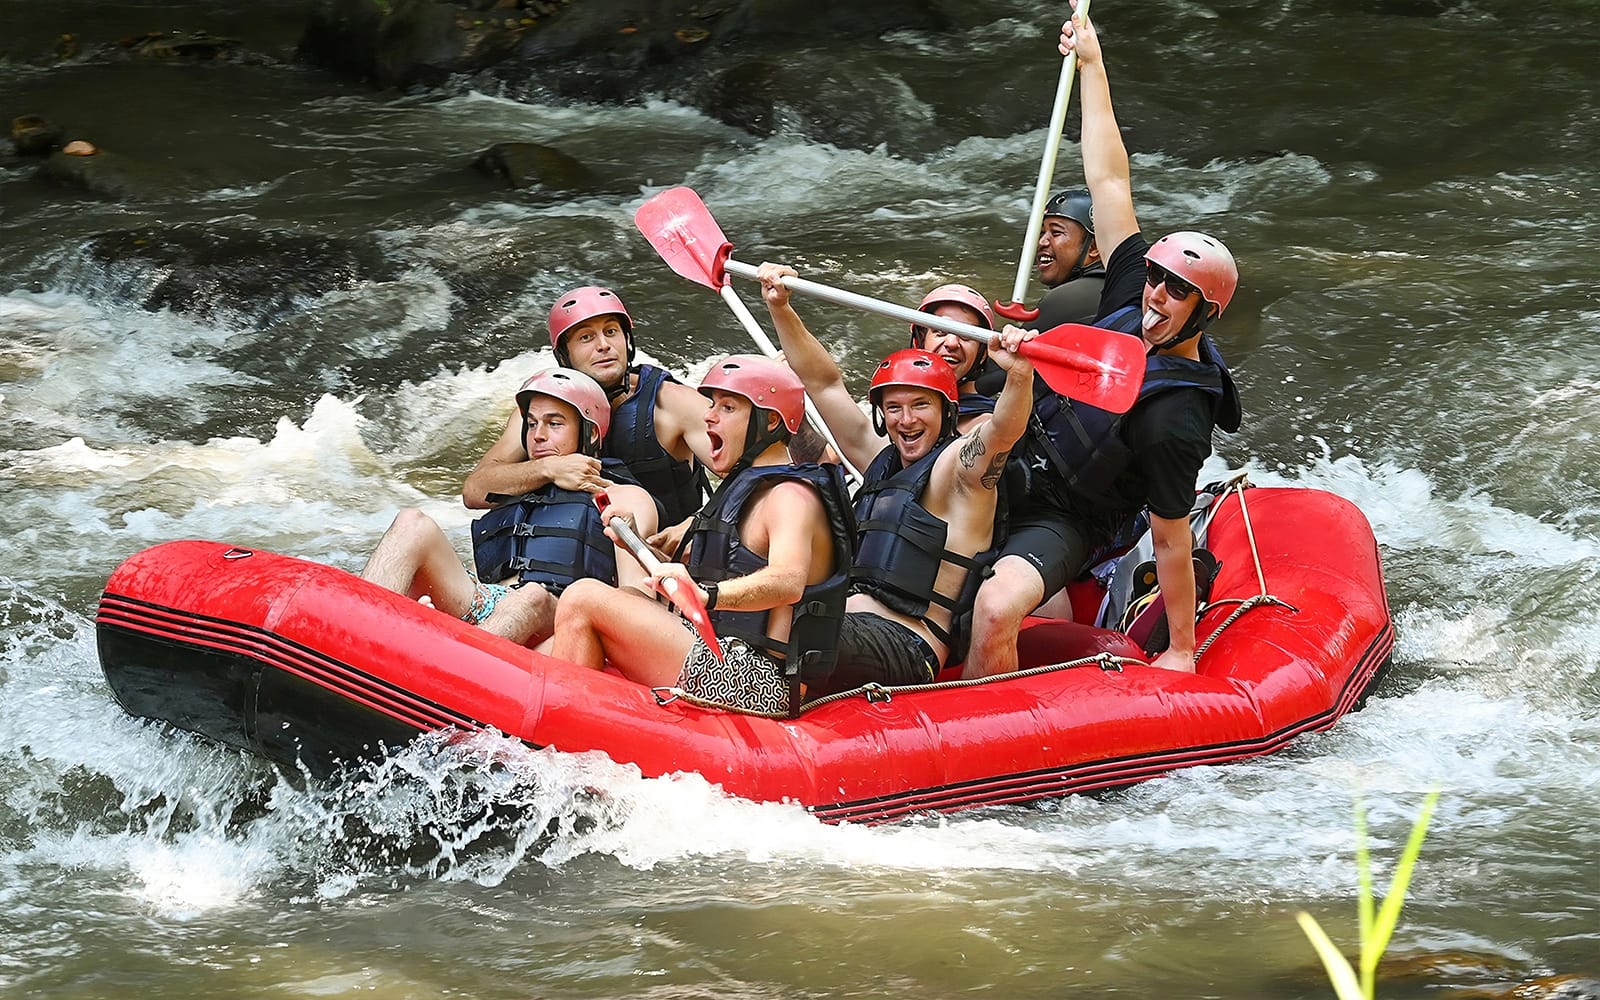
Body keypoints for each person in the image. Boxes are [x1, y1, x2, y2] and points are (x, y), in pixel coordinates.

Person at [964, 5, 1242, 677]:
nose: (1155, 298)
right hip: (1008, 452)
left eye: (1178, 292)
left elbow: (1171, 540)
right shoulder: (1128, 293)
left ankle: (986, 744)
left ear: (1206, 313)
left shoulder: (1177, 416)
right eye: (1155, 280)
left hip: (1071, 515)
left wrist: (1181, 650)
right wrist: (1092, 63)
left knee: (998, 609)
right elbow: (1109, 178)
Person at [757, 262, 1037, 689]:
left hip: (909, 644)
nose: (906, 420)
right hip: (846, 621)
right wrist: (780, 307)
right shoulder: (881, 459)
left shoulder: (956, 472)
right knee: (744, 603)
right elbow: (824, 382)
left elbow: (1003, 431)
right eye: (894, 408)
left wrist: (1019, 374)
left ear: (946, 413)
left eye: (921, 406)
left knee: (783, 628)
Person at [549, 355, 855, 715]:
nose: (709, 416)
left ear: (770, 421)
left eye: (728, 408)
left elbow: (787, 582)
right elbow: (695, 579)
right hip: (722, 651)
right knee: (628, 594)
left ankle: (557, 728)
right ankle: (573, 724)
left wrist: (706, 596)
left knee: (583, 597)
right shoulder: (742, 490)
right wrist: (636, 544)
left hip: (765, 681)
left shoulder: (791, 495)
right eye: (712, 405)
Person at [361, 369, 659, 646]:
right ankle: (355, 629)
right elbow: (473, 489)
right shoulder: (519, 481)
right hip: (488, 603)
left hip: (558, 620)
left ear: (590, 433)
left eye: (554, 424)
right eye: (532, 424)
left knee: (531, 597)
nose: (538, 435)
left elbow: (634, 599)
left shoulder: (624, 496)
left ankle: (446, 668)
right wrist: (548, 468)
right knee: (411, 523)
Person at [541, 285, 714, 527]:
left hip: (668, 554)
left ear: (627, 341)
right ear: (564, 356)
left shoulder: (673, 403)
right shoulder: (543, 410)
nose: (603, 345)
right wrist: (546, 468)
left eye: (611, 331)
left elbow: (751, 476)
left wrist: (694, 526)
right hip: (583, 553)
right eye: (586, 337)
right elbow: (478, 489)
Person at [1031, 188, 1106, 328]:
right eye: (1042, 233)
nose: (1042, 242)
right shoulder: (1120, 287)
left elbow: (1010, 349)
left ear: (1094, 247)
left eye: (1056, 232)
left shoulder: (1066, 298)